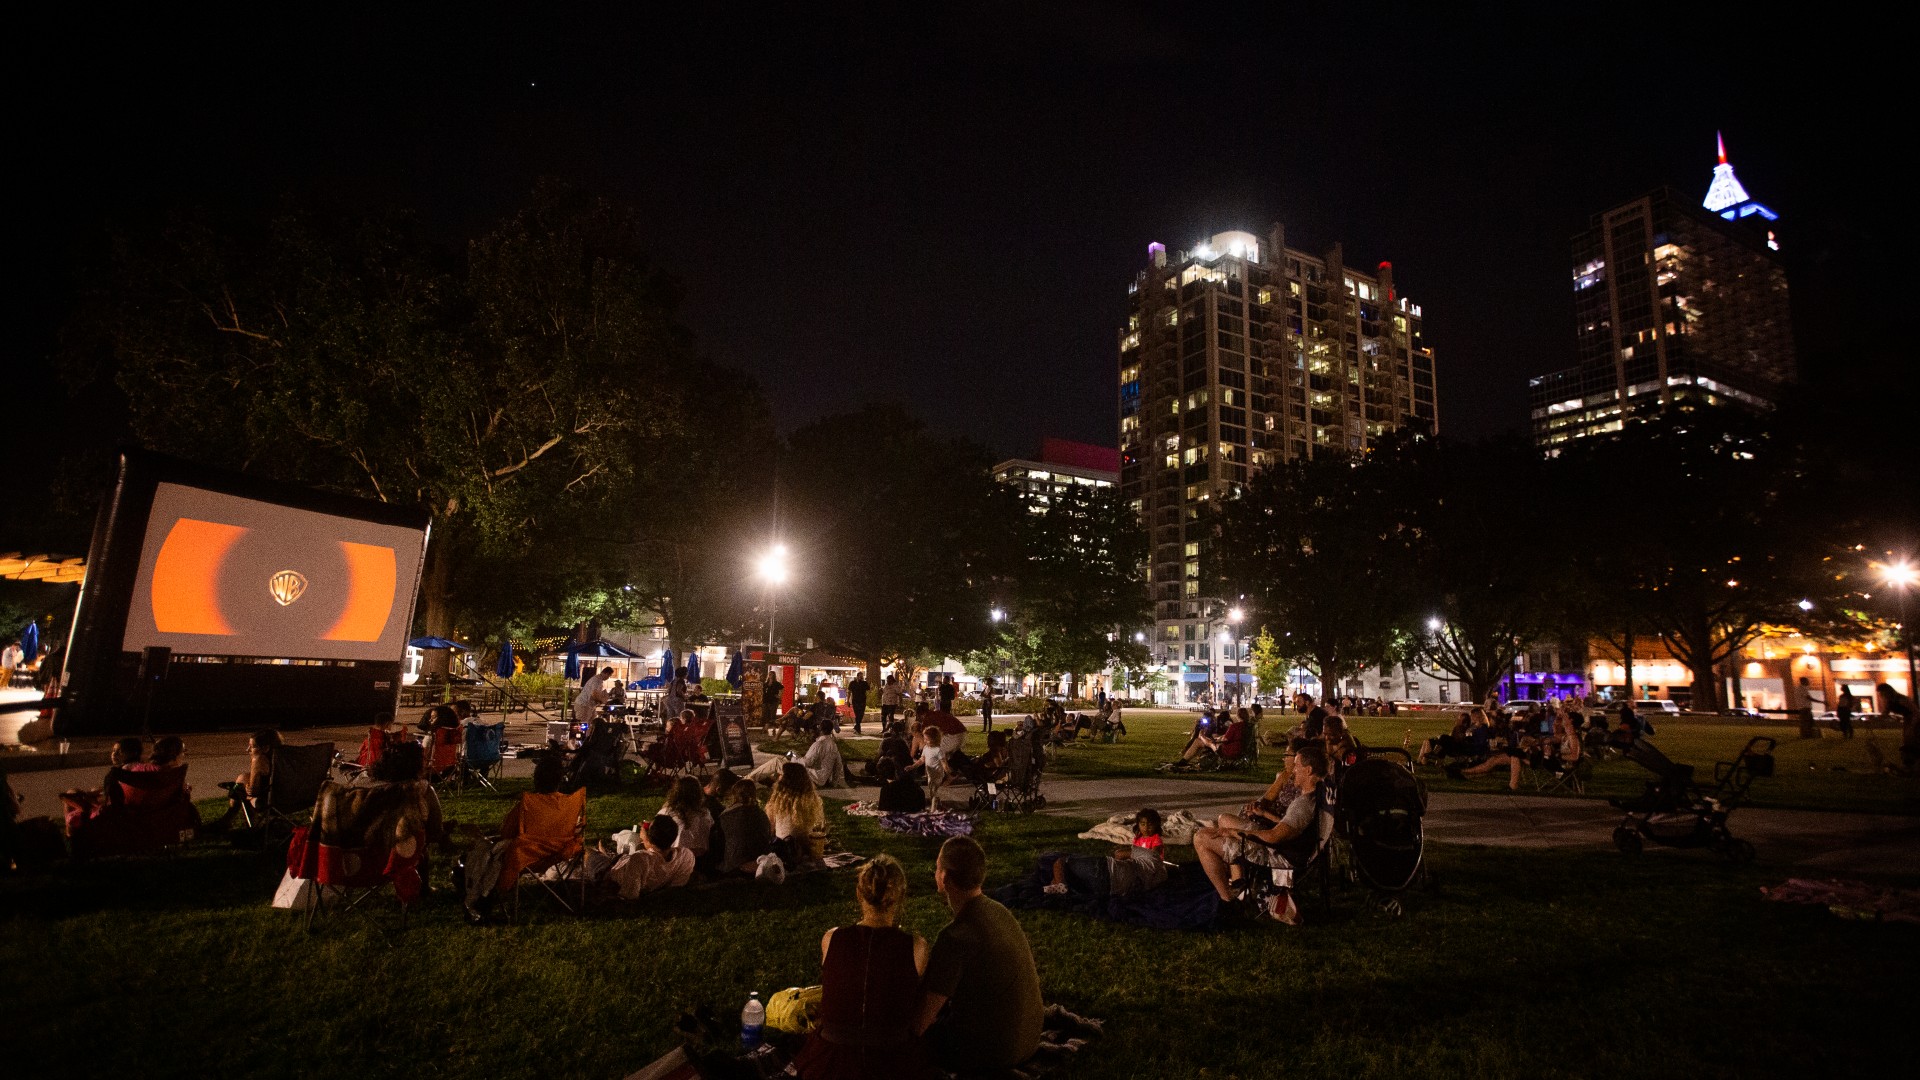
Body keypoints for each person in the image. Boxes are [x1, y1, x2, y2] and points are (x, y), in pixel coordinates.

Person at [792, 854, 932, 1080]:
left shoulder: (831, 938)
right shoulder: (917, 947)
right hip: (892, 1062)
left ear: (859, 894)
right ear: (900, 897)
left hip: (832, 1061)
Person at [914, 837, 1044, 1076]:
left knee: (908, 1044)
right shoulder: (999, 911)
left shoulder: (956, 937)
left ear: (943, 878)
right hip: (1030, 1038)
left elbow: (920, 1021)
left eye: (937, 867)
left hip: (993, 1052)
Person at [1192, 745, 1329, 924]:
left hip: (1277, 854)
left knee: (1201, 837)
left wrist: (1234, 833)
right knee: (1224, 820)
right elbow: (1287, 828)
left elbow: (1274, 837)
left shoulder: (1303, 804)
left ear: (1309, 770)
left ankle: (1227, 901)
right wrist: (1264, 815)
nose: (1293, 770)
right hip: (1288, 846)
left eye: (1297, 766)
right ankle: (1239, 884)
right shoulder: (1318, 794)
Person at [1040, 807, 1168, 898]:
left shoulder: (1151, 854)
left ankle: (1059, 884)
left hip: (1104, 870)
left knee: (1061, 861)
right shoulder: (1157, 879)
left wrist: (1124, 853)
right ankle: (1059, 884)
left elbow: (1119, 854)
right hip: (1109, 890)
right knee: (1074, 874)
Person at [606, 814, 695, 900]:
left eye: (649, 828)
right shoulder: (685, 855)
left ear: (651, 839)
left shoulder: (640, 859)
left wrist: (645, 839)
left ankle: (603, 853)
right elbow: (677, 886)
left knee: (593, 853)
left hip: (611, 871)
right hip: (626, 860)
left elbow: (629, 895)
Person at [210, 729, 281, 831]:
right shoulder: (286, 758)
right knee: (243, 777)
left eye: (252, 747)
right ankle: (227, 819)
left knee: (241, 789)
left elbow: (253, 791)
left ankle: (248, 824)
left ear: (266, 748)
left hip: (272, 802)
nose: (247, 750)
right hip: (295, 799)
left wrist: (247, 787)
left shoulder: (259, 760)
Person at [767, 762, 827, 868]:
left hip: (783, 847)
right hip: (806, 847)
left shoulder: (778, 800)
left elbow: (770, 828)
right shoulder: (812, 799)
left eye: (781, 774)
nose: (778, 777)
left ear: (787, 779)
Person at [719, 779, 776, 873]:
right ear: (754, 795)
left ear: (734, 795)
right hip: (759, 861)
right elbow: (767, 836)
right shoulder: (760, 814)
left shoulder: (725, 815)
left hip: (733, 863)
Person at [658, 775, 714, 862]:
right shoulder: (705, 813)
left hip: (676, 858)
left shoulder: (667, 813)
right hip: (701, 858)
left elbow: (656, 837)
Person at [1876, 683, 1919, 773]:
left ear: (1888, 691)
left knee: (1912, 740)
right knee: (1908, 741)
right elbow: (1884, 714)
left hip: (1915, 720)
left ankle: (1913, 765)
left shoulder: (1901, 699)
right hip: (1908, 720)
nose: (1881, 695)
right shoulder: (1890, 702)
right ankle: (1910, 764)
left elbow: (1915, 712)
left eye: (1882, 693)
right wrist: (1873, 720)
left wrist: (1912, 726)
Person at [574, 666, 611, 731]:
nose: (608, 678)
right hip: (584, 704)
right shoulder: (597, 681)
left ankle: (588, 737)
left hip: (589, 705)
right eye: (609, 676)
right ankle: (581, 737)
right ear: (606, 673)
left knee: (591, 721)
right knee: (583, 723)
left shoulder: (597, 679)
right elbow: (594, 694)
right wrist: (602, 700)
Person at [849, 671, 871, 735]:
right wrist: (848, 700)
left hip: (862, 700)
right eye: (860, 676)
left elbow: (868, 689)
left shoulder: (864, 683)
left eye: (862, 676)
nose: (861, 677)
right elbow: (849, 692)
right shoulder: (852, 683)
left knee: (861, 714)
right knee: (857, 714)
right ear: (857, 676)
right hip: (855, 700)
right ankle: (858, 728)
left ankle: (857, 726)